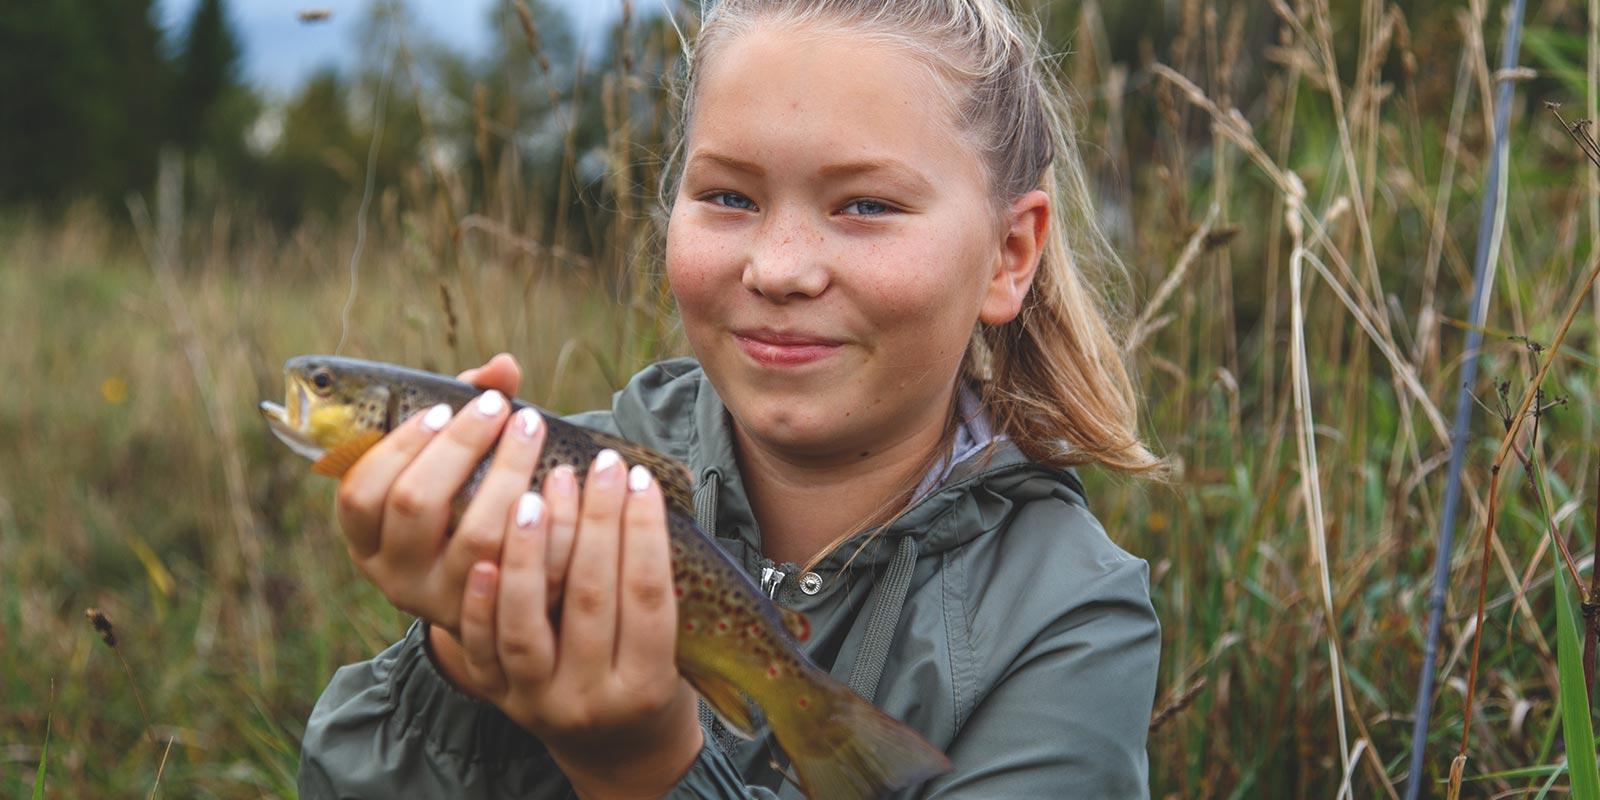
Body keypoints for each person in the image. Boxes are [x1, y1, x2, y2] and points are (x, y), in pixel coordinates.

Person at [297, 0, 1163, 797]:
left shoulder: (1071, 617)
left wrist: (645, 771)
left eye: (865, 204)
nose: (780, 267)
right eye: (729, 197)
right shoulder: (569, 490)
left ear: (1011, 254)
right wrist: (458, 670)